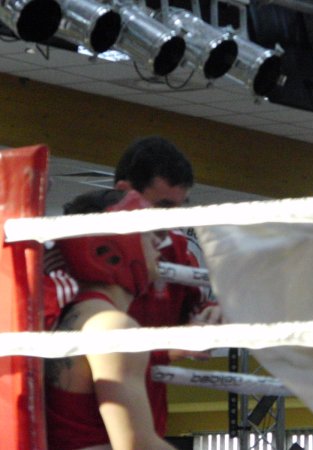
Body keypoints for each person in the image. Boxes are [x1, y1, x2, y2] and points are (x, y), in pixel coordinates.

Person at [45, 189, 176, 450]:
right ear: (114, 245)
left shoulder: (70, 316)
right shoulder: (112, 327)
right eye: (147, 233)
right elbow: (136, 446)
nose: (158, 243)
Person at [114, 136, 220, 436]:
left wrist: (213, 316)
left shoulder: (177, 250)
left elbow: (200, 309)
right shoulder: (77, 250)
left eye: (179, 207)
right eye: (163, 206)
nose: (171, 220)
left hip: (149, 424)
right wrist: (169, 349)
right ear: (125, 192)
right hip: (86, 429)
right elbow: (76, 352)